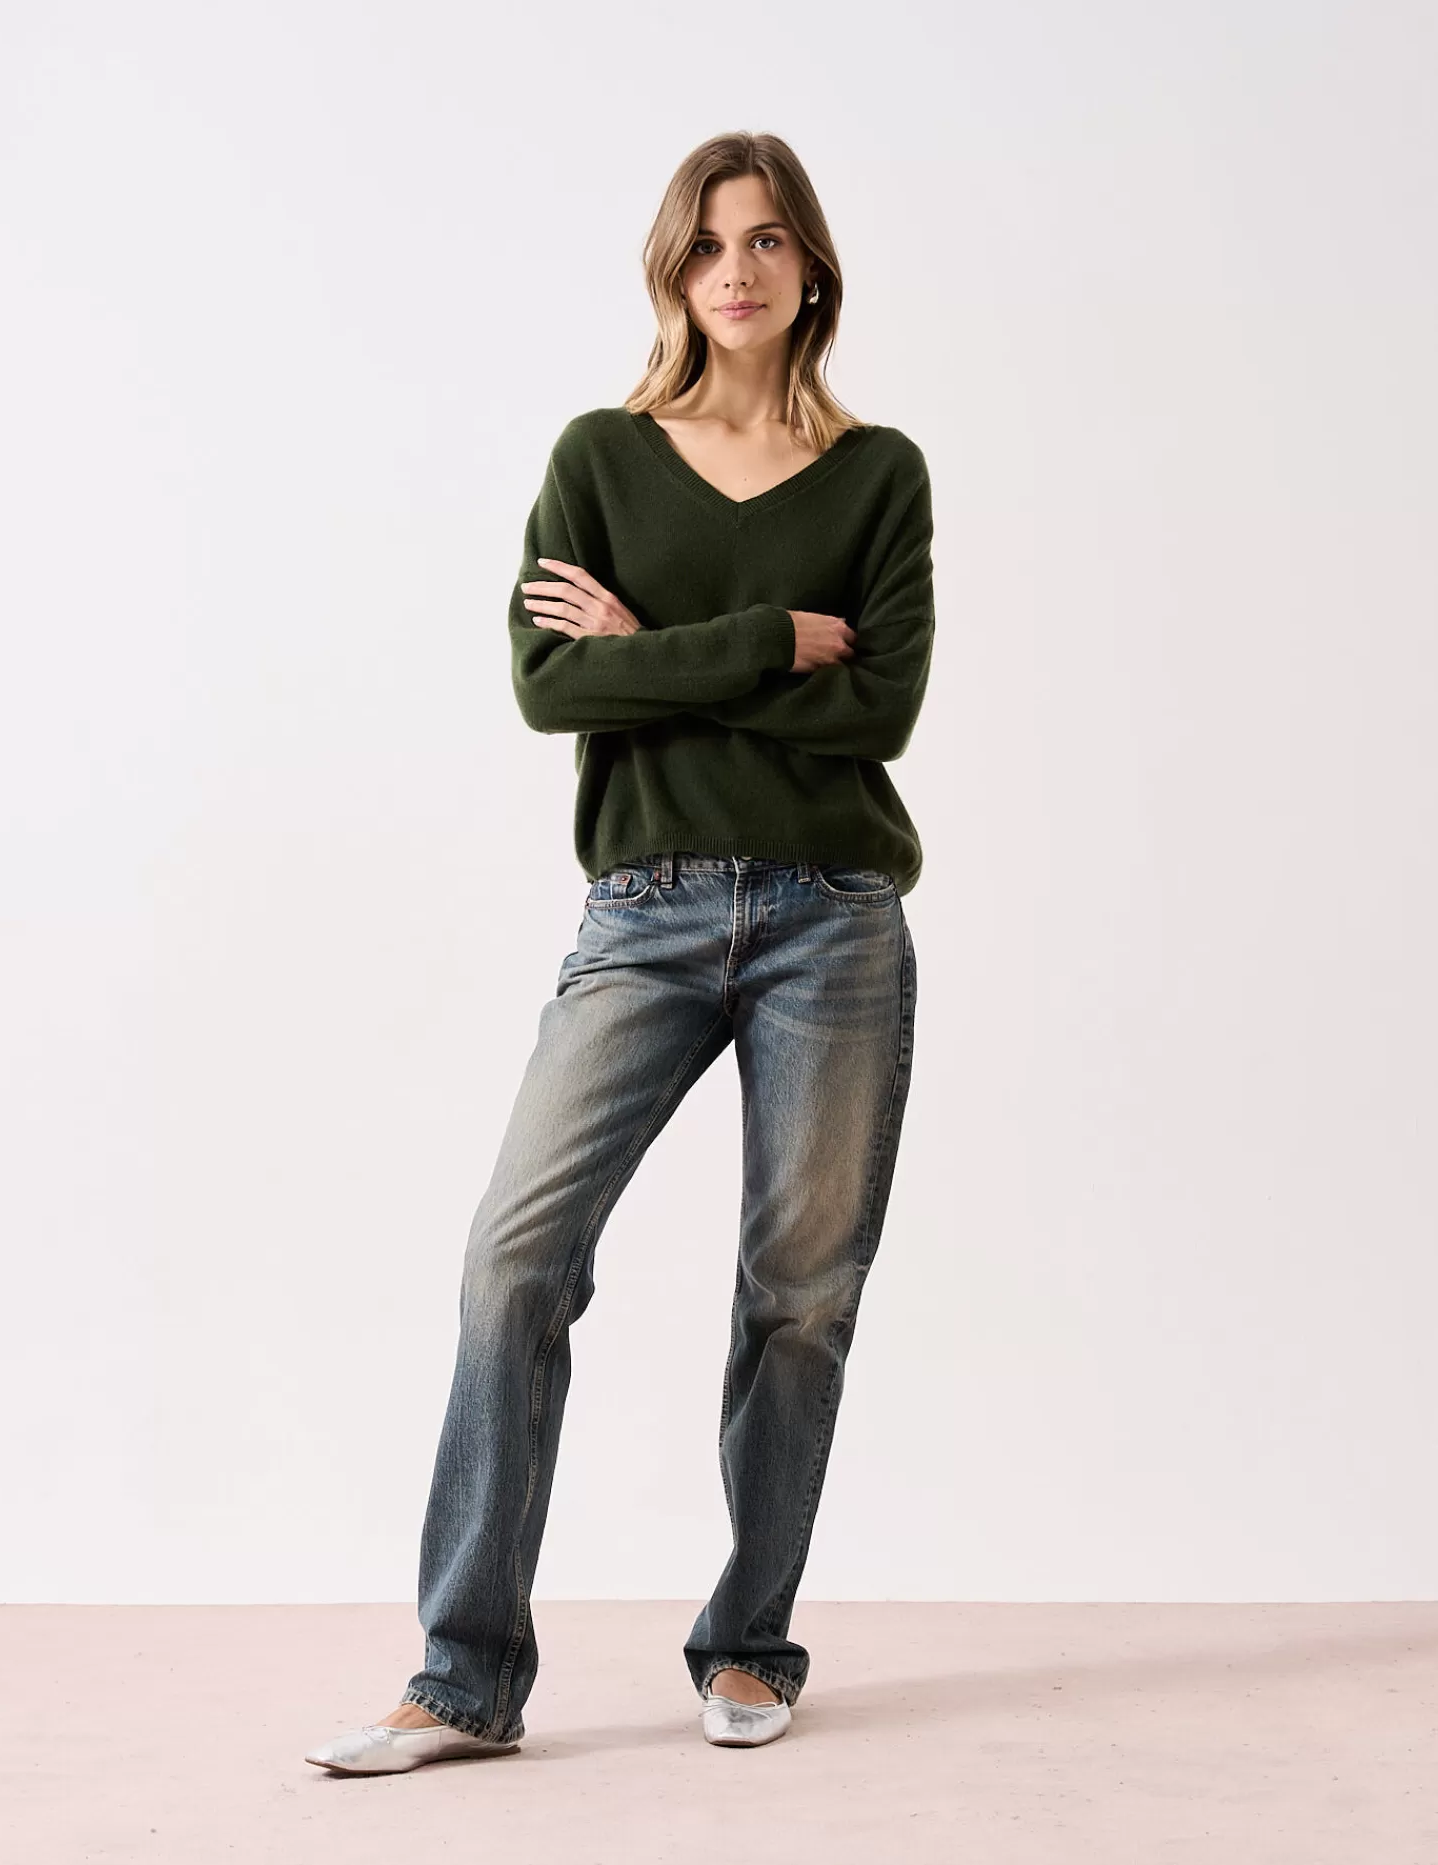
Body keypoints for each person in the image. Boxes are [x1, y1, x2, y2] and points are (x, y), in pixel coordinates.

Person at [305, 129, 932, 1776]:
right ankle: (464, 1679)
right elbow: (550, 688)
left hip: (834, 918)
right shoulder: (600, 456)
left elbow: (881, 710)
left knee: (800, 1296)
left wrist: (655, 656)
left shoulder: (880, 476)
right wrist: (763, 643)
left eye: (768, 238)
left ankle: (750, 1646)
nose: (738, 268)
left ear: (811, 268)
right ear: (673, 269)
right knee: (514, 1261)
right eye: (709, 242)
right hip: (642, 917)